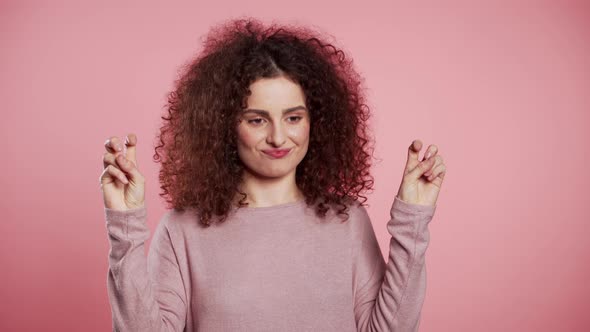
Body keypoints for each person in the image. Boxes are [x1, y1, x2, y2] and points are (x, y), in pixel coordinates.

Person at [99, 17, 446, 332]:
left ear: (316, 122)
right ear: (224, 126)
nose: (279, 137)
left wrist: (412, 222)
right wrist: (125, 227)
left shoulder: (348, 222)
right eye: (257, 120)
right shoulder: (182, 231)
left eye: (293, 118)